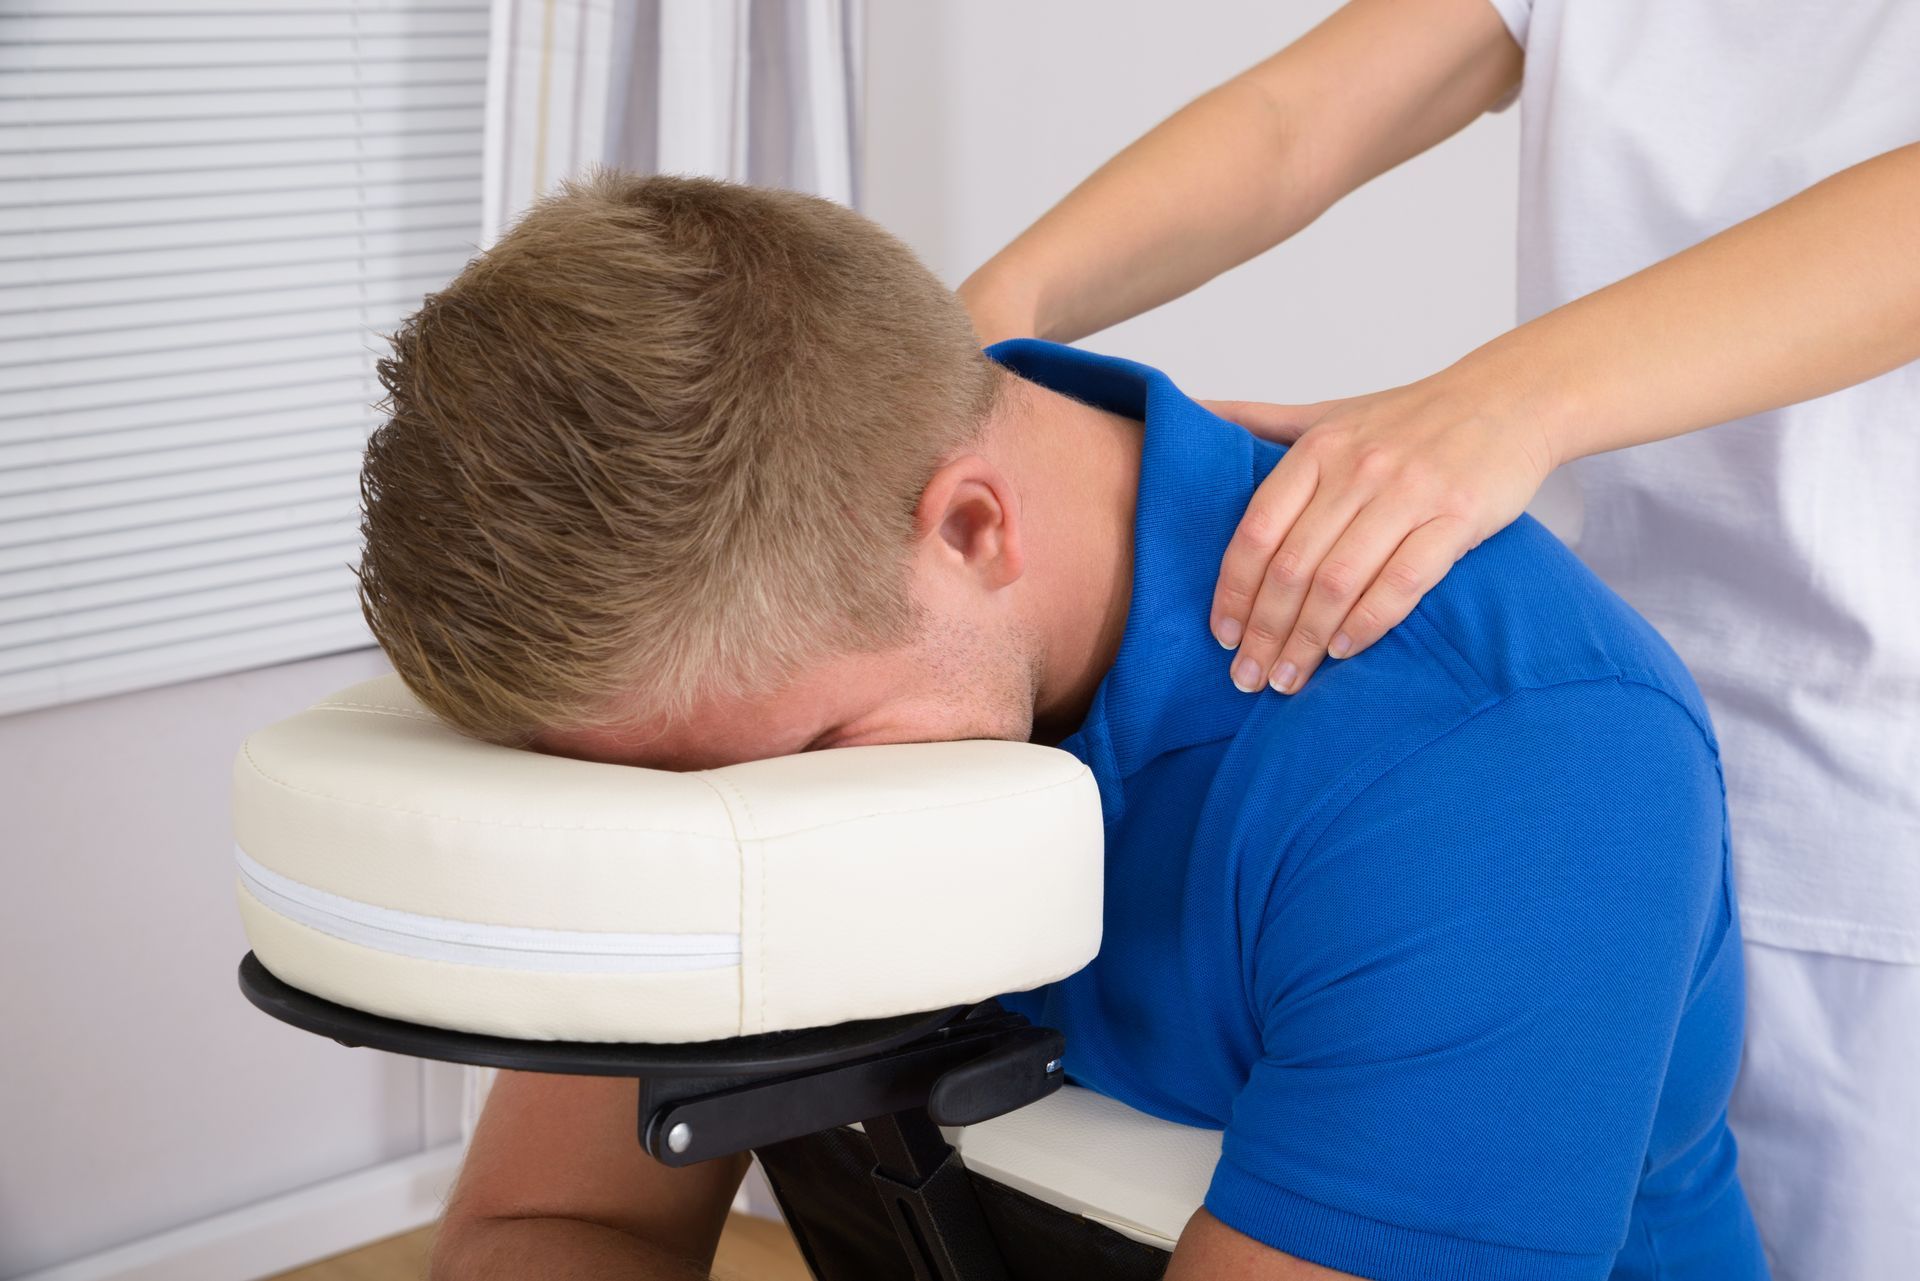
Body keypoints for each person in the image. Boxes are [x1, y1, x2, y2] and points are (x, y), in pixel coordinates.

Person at [367, 172, 1764, 1280]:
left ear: (974, 527)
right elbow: (556, 1226)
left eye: (794, 772)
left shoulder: (1497, 772)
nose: (753, 835)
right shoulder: (738, 668)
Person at [957, 4, 1920, 1276]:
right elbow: (1291, 123)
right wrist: (974, 332)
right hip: (1618, 762)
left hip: (1866, 814)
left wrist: (1503, 402)